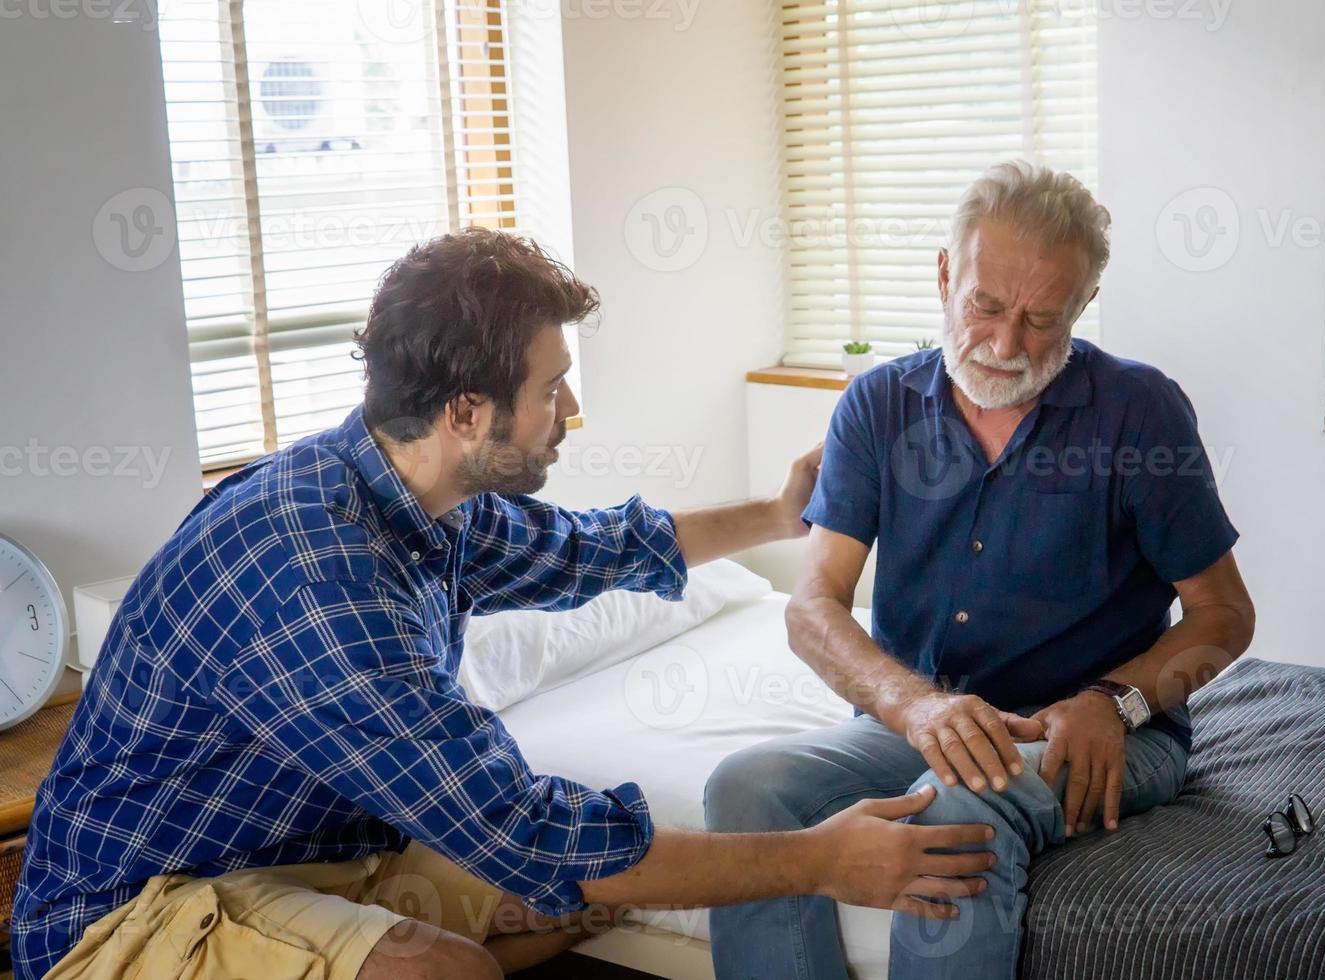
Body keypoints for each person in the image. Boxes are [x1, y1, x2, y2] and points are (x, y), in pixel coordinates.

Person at [11, 229, 994, 980]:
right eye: (554, 388)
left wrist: (780, 513)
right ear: (468, 413)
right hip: (132, 913)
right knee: (452, 960)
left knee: (595, 888)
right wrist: (818, 859)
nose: (570, 413)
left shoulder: (414, 492)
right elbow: (523, 829)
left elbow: (593, 549)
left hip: (308, 856)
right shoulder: (315, 573)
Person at [705, 160, 1257, 979]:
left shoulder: (1140, 411)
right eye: (986, 306)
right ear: (943, 274)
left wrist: (1115, 701)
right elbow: (811, 605)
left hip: (1097, 731)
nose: (1005, 345)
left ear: (1083, 305)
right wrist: (912, 706)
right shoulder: (877, 404)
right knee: (748, 788)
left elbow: (1224, 616)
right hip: (923, 722)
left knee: (962, 807)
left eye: (1042, 319)